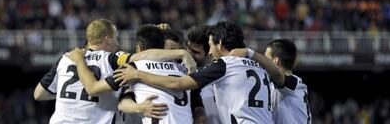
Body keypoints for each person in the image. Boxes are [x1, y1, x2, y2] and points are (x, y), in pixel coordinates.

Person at [115, 21, 283, 124]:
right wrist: (251, 52)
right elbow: (279, 75)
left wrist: (138, 74)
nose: (210, 51)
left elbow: (178, 83)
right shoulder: (258, 66)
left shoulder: (223, 66)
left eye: (211, 45)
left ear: (220, 43)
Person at [34, 18, 196, 124]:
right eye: (116, 38)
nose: (118, 44)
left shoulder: (65, 58)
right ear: (107, 39)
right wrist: (180, 52)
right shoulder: (111, 59)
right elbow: (144, 56)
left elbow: (39, 94)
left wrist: (70, 92)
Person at [264, 39, 312, 124]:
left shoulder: (294, 83)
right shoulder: (274, 86)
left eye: (266, 59)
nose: (263, 62)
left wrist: (250, 54)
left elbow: (278, 75)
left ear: (275, 61)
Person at [186, 25, 222, 124]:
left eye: (195, 52)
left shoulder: (223, 73)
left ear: (209, 52)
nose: (189, 55)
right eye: (188, 50)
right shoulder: (181, 70)